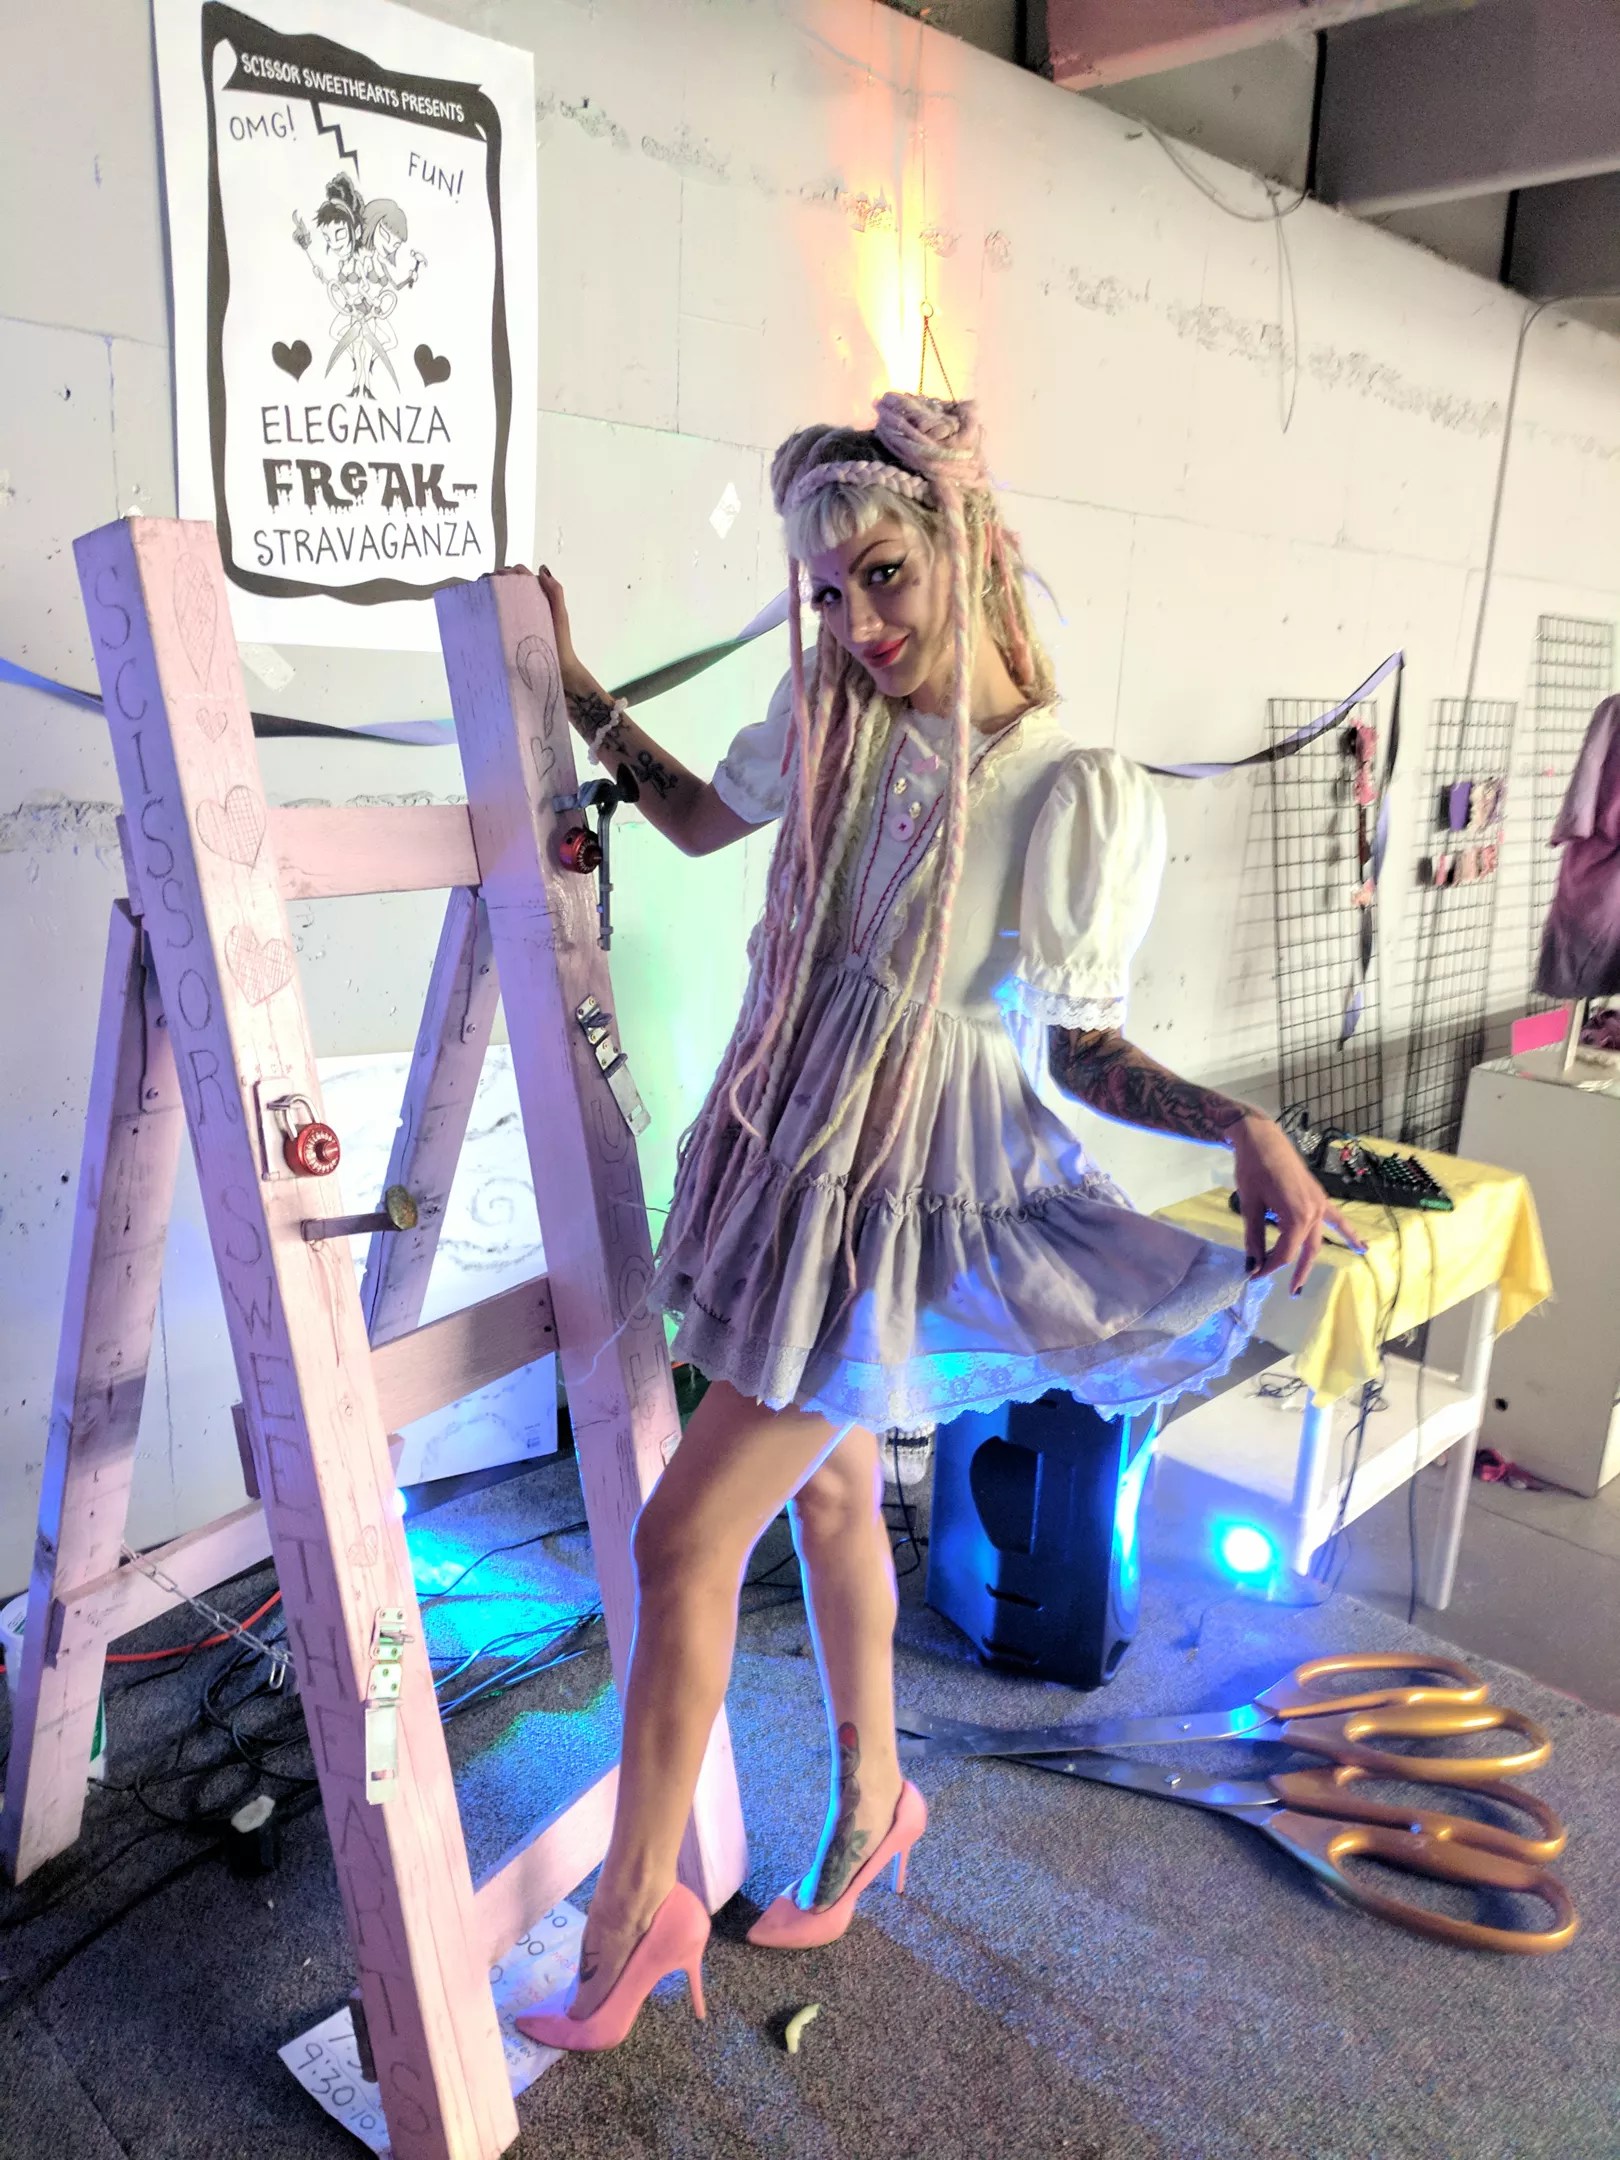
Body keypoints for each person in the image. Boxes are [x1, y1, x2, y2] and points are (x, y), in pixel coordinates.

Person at [513, 394, 1354, 2053]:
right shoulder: (833, 718)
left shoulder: (1071, 791)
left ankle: (632, 1914)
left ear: (967, 547)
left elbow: (1079, 1043)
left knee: (683, 1541)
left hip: (907, 1194)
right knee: (831, 1497)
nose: (858, 624)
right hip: (794, 1156)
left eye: (883, 577)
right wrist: (578, 689)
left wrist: (1243, 1123)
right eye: (828, 593)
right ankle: (874, 1802)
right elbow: (697, 818)